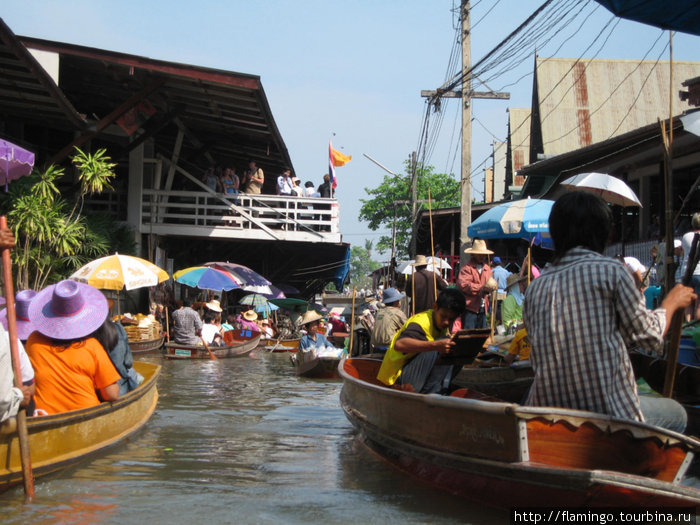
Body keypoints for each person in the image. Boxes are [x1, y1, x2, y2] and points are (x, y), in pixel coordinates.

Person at [523, 192, 695, 433]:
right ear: (603, 233)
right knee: (677, 413)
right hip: (608, 415)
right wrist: (671, 302)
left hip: (549, 415)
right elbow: (649, 336)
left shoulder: (535, 288)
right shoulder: (611, 271)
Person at [26, 280, 121, 414]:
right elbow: (111, 394)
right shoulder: (92, 345)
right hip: (87, 414)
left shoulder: (33, 341)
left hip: (45, 416)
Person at [377, 288, 466, 394]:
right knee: (439, 345)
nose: (446, 322)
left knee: (457, 351)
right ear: (435, 307)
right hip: (396, 378)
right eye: (443, 316)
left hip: (413, 373)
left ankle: (437, 390)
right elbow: (399, 344)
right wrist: (436, 345)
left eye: (451, 319)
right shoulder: (421, 322)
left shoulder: (442, 326)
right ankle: (431, 394)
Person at [92, 319, 144, 395]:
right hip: (119, 388)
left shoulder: (88, 338)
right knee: (134, 374)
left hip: (97, 388)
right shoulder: (119, 329)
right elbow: (128, 362)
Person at [457, 239, 496, 329]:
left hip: (483, 308)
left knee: (481, 336)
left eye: (483, 254)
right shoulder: (467, 268)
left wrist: (491, 288)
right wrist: (482, 288)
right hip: (470, 308)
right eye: (479, 254)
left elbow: (490, 282)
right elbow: (464, 284)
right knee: (469, 336)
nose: (482, 256)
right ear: (473, 254)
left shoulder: (487, 268)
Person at [370, 287, 407, 352]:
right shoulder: (397, 312)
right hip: (389, 348)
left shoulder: (379, 311)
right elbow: (408, 328)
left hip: (376, 347)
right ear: (396, 301)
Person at [681, 212, 700, 316]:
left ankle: (686, 328)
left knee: (688, 304)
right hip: (699, 272)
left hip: (686, 272)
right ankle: (697, 328)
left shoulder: (685, 236)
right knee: (699, 305)